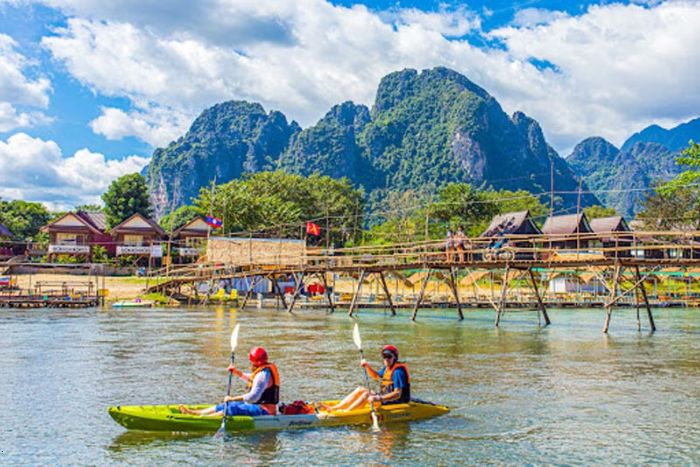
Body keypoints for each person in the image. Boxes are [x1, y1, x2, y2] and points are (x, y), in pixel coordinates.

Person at [179, 346, 280, 417]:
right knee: (226, 405)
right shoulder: (263, 372)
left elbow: (253, 397)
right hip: (257, 406)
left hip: (265, 411)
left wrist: (232, 398)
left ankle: (203, 419)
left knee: (232, 408)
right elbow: (253, 379)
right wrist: (237, 372)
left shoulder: (263, 375)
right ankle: (197, 413)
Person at [321, 345, 410, 412]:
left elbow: (397, 394)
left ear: (395, 358)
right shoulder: (387, 368)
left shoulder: (398, 372)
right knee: (360, 389)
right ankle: (334, 408)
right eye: (384, 357)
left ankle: (346, 412)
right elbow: (376, 376)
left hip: (396, 401)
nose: (386, 359)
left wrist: (378, 398)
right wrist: (367, 366)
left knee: (366, 395)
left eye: (389, 357)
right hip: (384, 397)